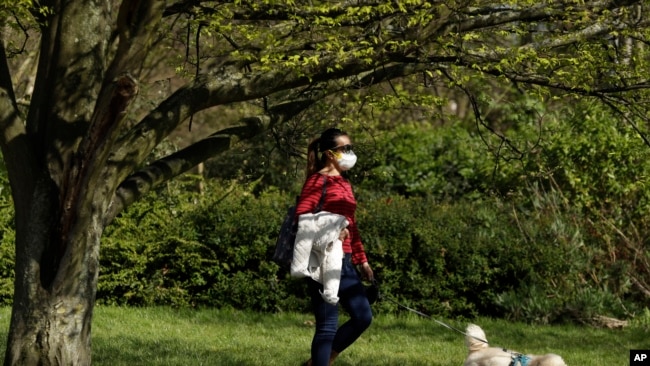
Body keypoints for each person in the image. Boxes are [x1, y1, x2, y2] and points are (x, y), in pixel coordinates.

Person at [295, 127, 374, 366]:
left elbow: (353, 225)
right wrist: (332, 231)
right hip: (322, 260)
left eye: (351, 148)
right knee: (328, 325)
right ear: (330, 154)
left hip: (346, 260)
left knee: (363, 316)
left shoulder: (345, 184)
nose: (350, 153)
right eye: (345, 148)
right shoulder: (317, 182)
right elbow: (303, 218)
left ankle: (321, 360)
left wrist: (362, 260)